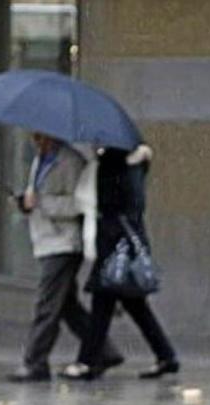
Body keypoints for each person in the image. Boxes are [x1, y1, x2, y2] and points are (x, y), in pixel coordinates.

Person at [7, 134, 122, 382]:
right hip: (45, 240)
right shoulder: (40, 160)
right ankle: (104, 350)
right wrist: (26, 203)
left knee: (47, 304)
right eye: (34, 136)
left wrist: (42, 203)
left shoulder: (70, 162)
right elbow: (39, 195)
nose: (36, 141)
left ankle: (35, 362)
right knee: (68, 306)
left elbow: (78, 204)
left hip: (64, 242)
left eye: (40, 136)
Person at [62, 144, 179, 380]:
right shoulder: (134, 167)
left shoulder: (112, 166)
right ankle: (166, 356)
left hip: (115, 247)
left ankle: (87, 362)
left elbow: (107, 204)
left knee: (102, 305)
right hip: (125, 244)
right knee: (135, 307)